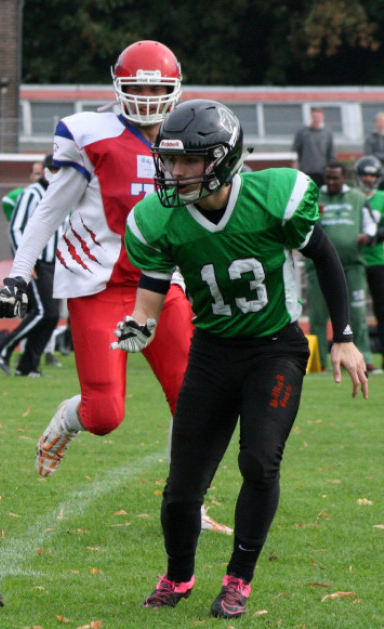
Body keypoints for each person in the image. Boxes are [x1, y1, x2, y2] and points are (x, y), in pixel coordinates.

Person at [121, 99, 368, 619]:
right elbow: (151, 290)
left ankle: (238, 578)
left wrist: (342, 335)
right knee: (182, 491)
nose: (177, 172)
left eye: (190, 161)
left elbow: (322, 255)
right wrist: (138, 327)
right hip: (211, 354)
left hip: (274, 350)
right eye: (171, 161)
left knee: (258, 462)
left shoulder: (272, 198)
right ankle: (178, 575)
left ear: (225, 158)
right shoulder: (159, 219)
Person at [0, 40, 232, 534]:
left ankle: (189, 503)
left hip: (163, 284)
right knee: (104, 415)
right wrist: (18, 271)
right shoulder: (90, 134)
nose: (146, 96)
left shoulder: (191, 132)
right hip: (98, 283)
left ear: (175, 89)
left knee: (194, 399)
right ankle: (69, 416)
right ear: (118, 86)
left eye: (156, 87)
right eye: (137, 86)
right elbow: (50, 210)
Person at [0, 154, 63, 377]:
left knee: (51, 316)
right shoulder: (31, 193)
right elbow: (16, 228)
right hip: (37, 261)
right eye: (52, 168)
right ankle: (4, 346)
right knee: (43, 312)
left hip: (54, 263)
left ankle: (28, 366)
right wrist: (24, 261)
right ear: (44, 170)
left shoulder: (62, 193)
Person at [306, 161, 374, 369]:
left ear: (345, 178)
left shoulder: (358, 198)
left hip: (352, 267)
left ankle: (364, 360)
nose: (331, 182)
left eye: (335, 178)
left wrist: (368, 236)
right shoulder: (314, 196)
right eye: (328, 178)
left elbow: (371, 223)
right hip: (318, 267)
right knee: (317, 315)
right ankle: (320, 362)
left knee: (357, 315)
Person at [355, 155, 384, 369]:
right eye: (364, 174)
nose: (367, 179)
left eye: (371, 175)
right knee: (354, 310)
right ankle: (359, 358)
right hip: (354, 260)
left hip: (378, 260)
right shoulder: (351, 197)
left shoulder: (382, 197)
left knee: (381, 310)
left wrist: (374, 237)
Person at [292, 107, 335, 187]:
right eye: (315, 117)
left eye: (318, 117)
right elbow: (296, 150)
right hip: (306, 170)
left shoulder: (327, 133)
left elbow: (331, 151)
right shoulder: (303, 132)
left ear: (322, 117)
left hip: (322, 171)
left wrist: (330, 168)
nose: (316, 119)